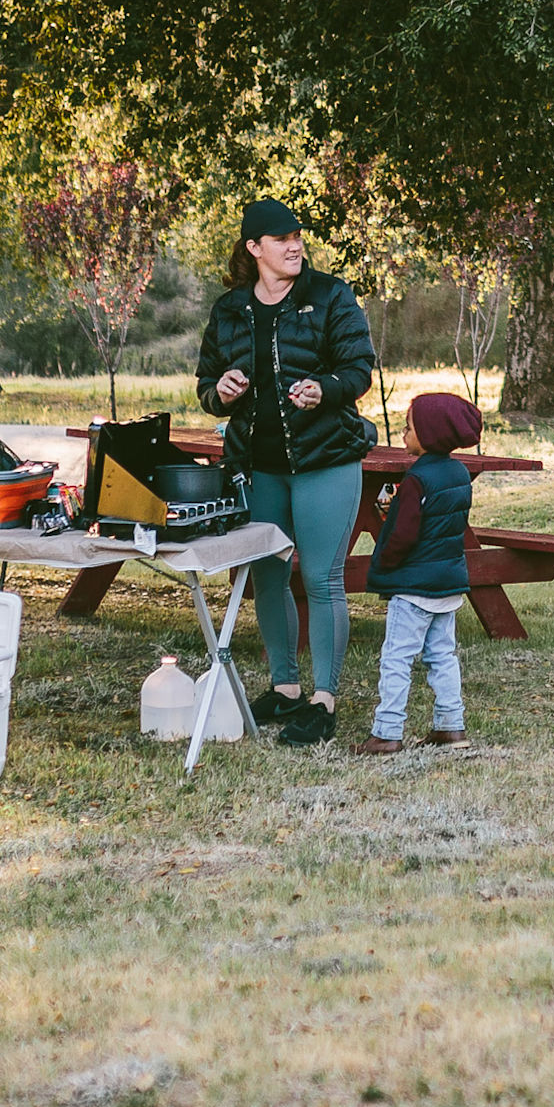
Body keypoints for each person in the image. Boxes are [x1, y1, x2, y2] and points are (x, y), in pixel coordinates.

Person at [196, 199, 376, 745]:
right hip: (260, 467)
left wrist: (327, 388)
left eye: (298, 236)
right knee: (268, 578)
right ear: (255, 249)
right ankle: (286, 688)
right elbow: (206, 386)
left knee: (321, 579)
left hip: (325, 460)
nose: (295, 245)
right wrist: (220, 392)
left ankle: (324, 700)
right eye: (281, 239)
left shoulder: (331, 296)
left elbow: (358, 369)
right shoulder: (229, 309)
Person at [359, 391, 482, 754]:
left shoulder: (416, 479)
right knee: (443, 656)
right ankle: (450, 725)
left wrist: (384, 563)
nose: (403, 433)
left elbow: (403, 534)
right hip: (447, 583)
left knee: (397, 657)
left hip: (413, 588)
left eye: (408, 427)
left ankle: (387, 731)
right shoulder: (459, 473)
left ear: (429, 433)